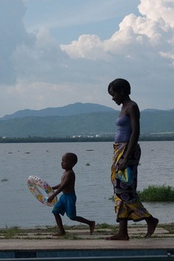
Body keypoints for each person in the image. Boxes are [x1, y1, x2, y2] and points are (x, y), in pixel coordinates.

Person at [106, 78, 159, 240]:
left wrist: (126, 157)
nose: (112, 98)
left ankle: (149, 219)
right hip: (119, 150)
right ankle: (123, 232)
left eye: (113, 94)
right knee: (119, 190)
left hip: (128, 151)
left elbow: (135, 133)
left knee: (124, 189)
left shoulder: (132, 107)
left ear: (122, 91)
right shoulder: (123, 107)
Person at [46, 152, 96, 236]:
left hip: (70, 197)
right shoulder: (64, 173)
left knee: (72, 217)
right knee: (55, 212)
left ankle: (90, 223)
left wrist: (53, 195)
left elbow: (63, 186)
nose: (61, 163)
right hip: (63, 196)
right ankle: (62, 231)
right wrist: (51, 188)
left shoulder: (70, 174)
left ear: (71, 163)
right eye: (62, 161)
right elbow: (61, 184)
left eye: (64, 161)